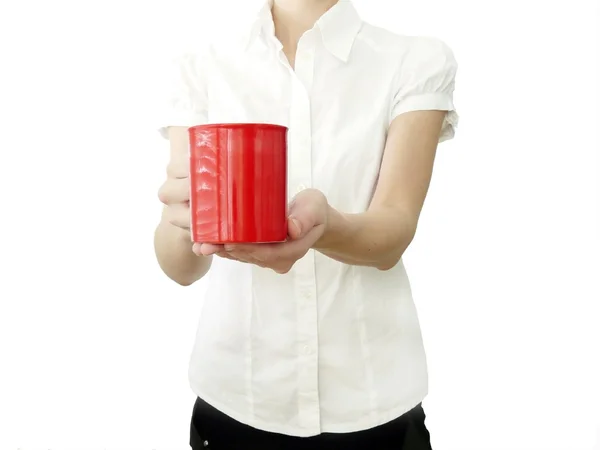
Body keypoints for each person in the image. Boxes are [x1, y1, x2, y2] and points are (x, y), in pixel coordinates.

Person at [155, 0, 458, 448]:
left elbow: (394, 229)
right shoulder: (201, 66)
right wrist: (185, 221)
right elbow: (181, 268)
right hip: (236, 396)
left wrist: (327, 227)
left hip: (373, 403)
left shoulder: (415, 60)